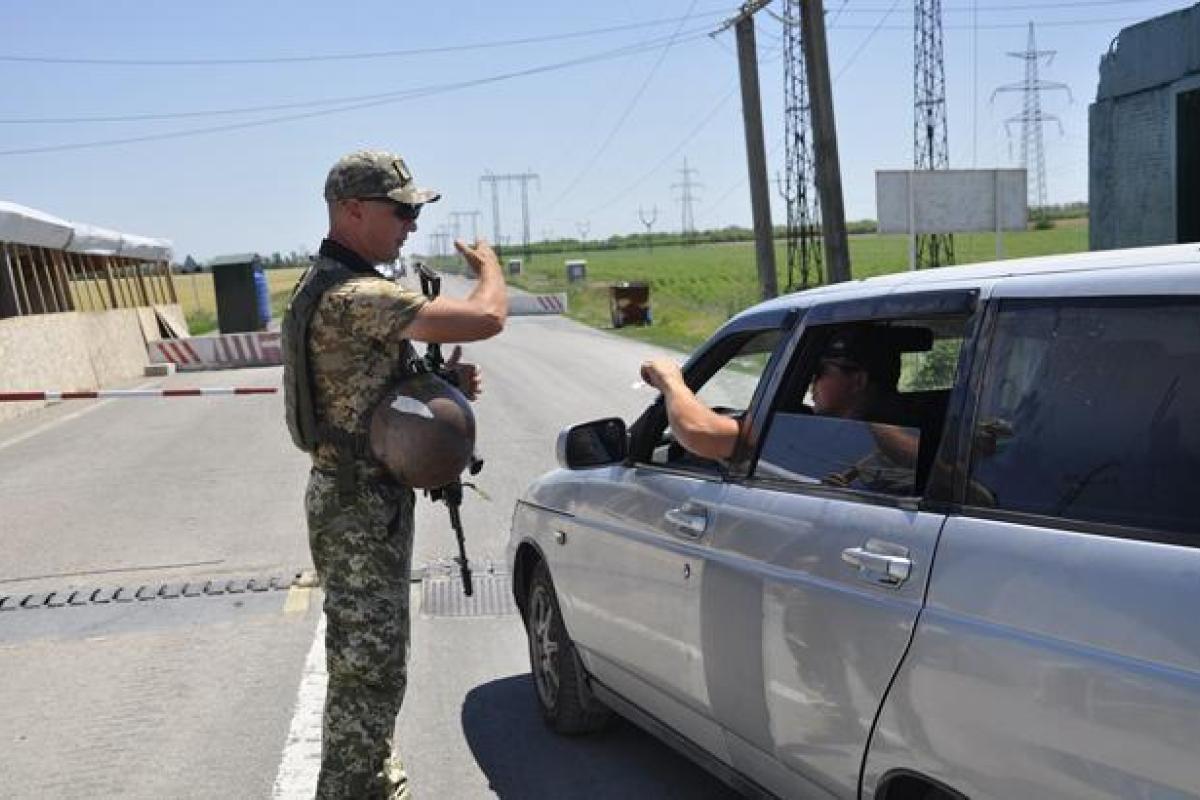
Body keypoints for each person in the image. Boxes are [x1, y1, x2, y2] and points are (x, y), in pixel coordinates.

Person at [283, 150, 507, 800]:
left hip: (356, 500)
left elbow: (357, 391)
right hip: (357, 508)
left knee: (372, 663)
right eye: (402, 211)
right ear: (354, 210)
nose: (412, 225)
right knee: (369, 670)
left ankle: (375, 780)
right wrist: (489, 269)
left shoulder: (329, 284)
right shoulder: (354, 295)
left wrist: (438, 382)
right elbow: (488, 317)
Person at [639, 328, 911, 463]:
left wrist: (671, 382)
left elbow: (699, 431)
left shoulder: (808, 432)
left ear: (858, 381)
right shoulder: (911, 427)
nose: (811, 382)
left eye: (819, 371)